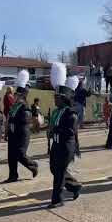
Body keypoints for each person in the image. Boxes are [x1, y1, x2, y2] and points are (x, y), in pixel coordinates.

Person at [47, 63, 82, 208]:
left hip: (66, 146)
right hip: (56, 144)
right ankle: (74, 187)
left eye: (58, 97)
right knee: (54, 169)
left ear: (64, 99)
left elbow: (69, 132)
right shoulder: (56, 111)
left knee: (59, 173)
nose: (55, 99)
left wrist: (55, 129)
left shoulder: (71, 114)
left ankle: (57, 199)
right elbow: (53, 126)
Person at [4, 70, 38, 183]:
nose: (15, 96)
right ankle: (12, 175)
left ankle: (33, 165)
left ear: (22, 96)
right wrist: (7, 131)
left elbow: (25, 120)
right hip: (13, 134)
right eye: (15, 95)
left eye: (17, 95)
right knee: (11, 156)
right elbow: (10, 118)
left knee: (20, 155)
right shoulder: (15, 106)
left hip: (22, 134)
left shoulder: (25, 107)